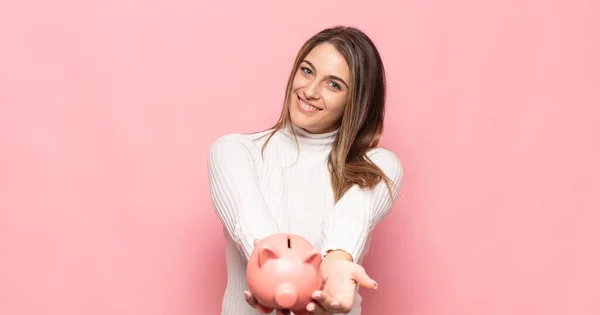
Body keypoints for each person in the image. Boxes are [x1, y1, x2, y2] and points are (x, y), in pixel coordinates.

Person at [208, 25, 404, 315]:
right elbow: (255, 230)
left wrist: (336, 267)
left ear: (356, 101)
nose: (310, 91)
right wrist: (302, 285)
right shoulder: (235, 151)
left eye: (334, 84)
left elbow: (352, 217)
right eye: (307, 71)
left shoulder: (377, 165)